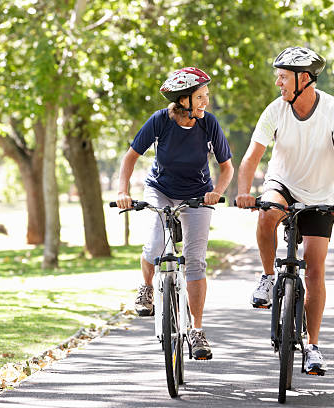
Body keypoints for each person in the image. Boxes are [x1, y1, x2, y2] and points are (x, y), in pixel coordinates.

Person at [235, 47, 334, 375]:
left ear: (304, 79)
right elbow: (251, 158)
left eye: (283, 76)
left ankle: (314, 346)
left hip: (321, 197)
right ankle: (266, 277)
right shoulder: (275, 110)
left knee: (315, 270)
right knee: (267, 214)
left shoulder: (333, 110)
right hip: (284, 185)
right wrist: (244, 192)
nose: (278, 82)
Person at [116, 67, 234, 360]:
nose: (206, 101)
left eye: (206, 95)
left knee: (195, 260)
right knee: (156, 245)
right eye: (201, 96)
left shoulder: (209, 124)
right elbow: (130, 157)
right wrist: (122, 192)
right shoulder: (159, 121)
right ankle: (146, 287)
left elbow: (227, 167)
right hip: (161, 190)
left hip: (198, 194)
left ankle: (196, 331)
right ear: (183, 100)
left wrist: (216, 192)